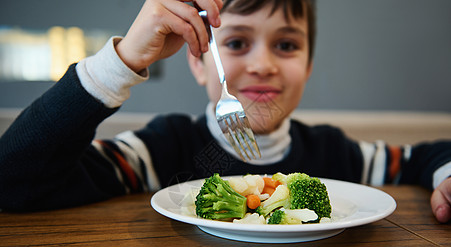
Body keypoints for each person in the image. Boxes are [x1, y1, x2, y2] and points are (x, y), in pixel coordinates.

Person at [0, 0, 450, 223]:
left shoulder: (336, 152)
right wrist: (123, 61)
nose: (262, 64)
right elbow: (14, 179)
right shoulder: (159, 149)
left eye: (287, 45)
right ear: (198, 62)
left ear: (308, 66)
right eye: (235, 43)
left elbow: (424, 156)